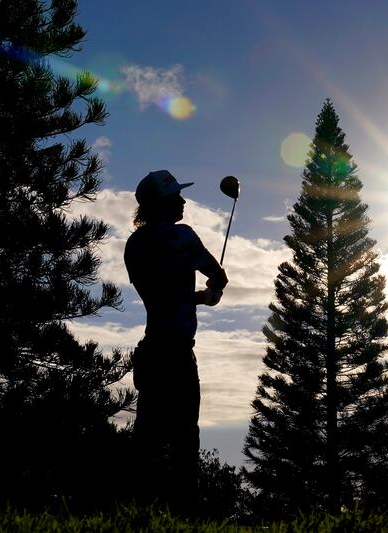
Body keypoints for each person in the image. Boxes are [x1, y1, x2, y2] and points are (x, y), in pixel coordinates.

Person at [124, 169, 228, 514]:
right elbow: (218, 273)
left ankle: (138, 510)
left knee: (147, 438)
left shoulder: (134, 245)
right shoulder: (183, 237)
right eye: (176, 197)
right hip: (178, 354)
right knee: (185, 438)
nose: (183, 201)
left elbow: (166, 294)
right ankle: (186, 514)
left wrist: (197, 298)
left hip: (152, 349)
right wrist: (213, 291)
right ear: (163, 204)